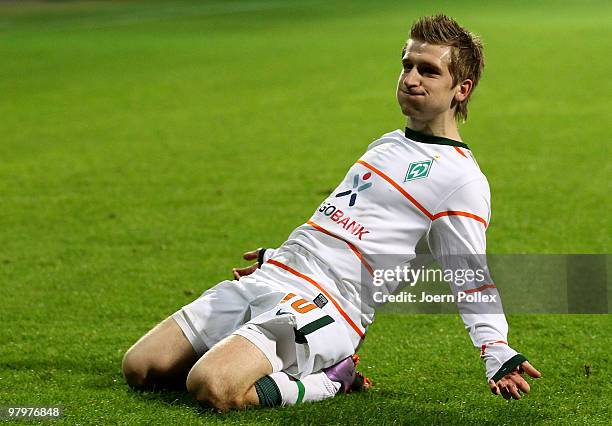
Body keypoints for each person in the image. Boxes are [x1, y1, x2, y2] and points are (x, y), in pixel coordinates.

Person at [122, 14, 541, 411]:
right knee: (140, 367)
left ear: (461, 89)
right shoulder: (388, 143)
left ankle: (332, 378)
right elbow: (344, 215)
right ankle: (272, 357)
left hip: (329, 306)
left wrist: (496, 349)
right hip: (279, 274)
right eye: (406, 64)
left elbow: (469, 272)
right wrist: (281, 255)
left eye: (428, 71)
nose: (410, 78)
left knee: (212, 385)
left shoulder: (461, 180)